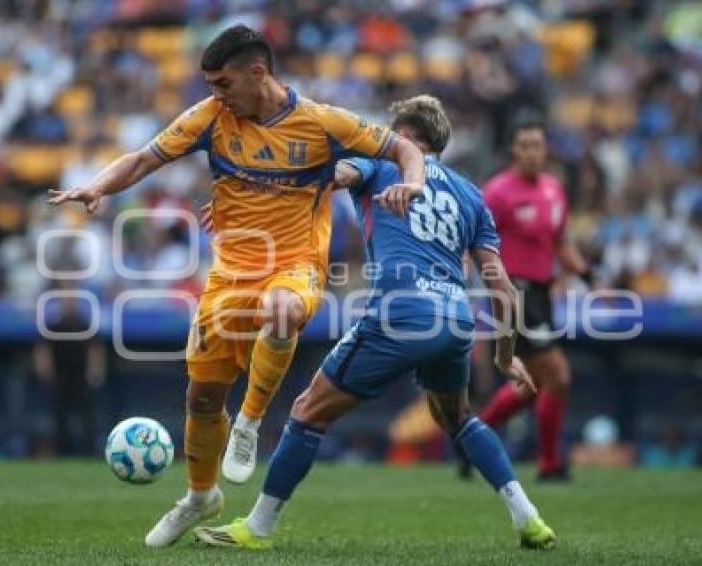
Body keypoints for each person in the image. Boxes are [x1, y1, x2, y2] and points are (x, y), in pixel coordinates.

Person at [47, 25, 425, 546]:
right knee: (202, 397)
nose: (216, 94)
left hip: (295, 262)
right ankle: (200, 496)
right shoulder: (211, 117)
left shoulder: (322, 123)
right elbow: (143, 159)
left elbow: (404, 149)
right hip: (230, 273)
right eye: (210, 85)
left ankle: (248, 424)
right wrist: (96, 186)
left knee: (282, 309)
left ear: (257, 72)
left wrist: (413, 183)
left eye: (223, 83)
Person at [194, 95, 556, 550]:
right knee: (459, 417)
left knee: (306, 411)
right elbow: (501, 286)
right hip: (455, 319)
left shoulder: (380, 162)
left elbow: (333, 174)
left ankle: (257, 528)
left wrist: (249, 198)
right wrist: (505, 357)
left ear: (399, 137)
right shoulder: (470, 195)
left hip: (400, 314)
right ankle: (529, 518)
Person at [468, 116, 593, 481]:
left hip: (542, 293)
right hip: (515, 293)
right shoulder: (497, 193)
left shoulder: (554, 190)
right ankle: (550, 464)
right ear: (513, 150)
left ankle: (471, 439)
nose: (532, 152)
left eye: (537, 145)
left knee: (531, 385)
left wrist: (589, 277)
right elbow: (473, 241)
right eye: (525, 146)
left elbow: (561, 243)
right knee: (558, 376)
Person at [33, 293, 106, 456]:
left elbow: (95, 349)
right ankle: (61, 452)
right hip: (61, 377)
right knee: (60, 418)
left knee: (88, 418)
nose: (69, 305)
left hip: (82, 378)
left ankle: (90, 452)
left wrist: (95, 371)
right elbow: (43, 348)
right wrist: (44, 370)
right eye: (66, 302)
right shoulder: (53, 326)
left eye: (72, 302)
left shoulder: (85, 326)